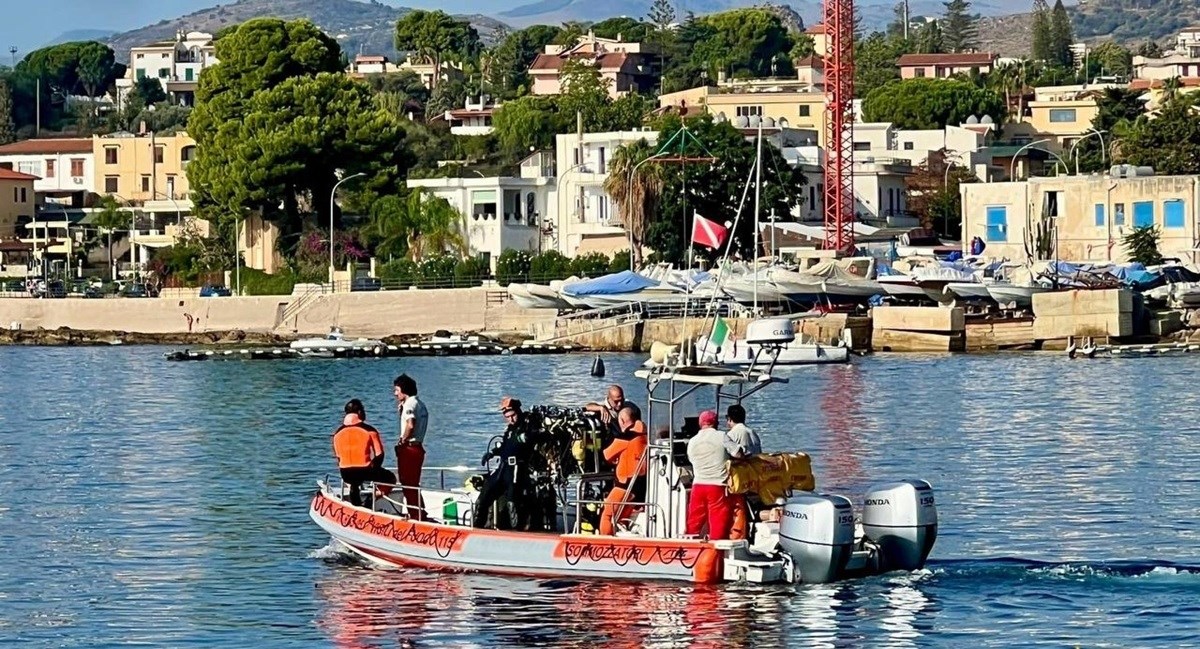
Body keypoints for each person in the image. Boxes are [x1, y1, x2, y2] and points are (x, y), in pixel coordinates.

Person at [473, 397, 537, 530]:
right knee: (484, 495)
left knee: (512, 501)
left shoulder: (528, 425)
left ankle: (517, 532)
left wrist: (527, 437)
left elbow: (536, 437)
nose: (511, 419)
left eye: (513, 415)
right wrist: (492, 453)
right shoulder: (509, 430)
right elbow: (504, 445)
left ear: (518, 412)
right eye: (507, 417)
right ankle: (477, 527)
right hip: (503, 466)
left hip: (517, 468)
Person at [685, 409, 738, 540]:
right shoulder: (722, 436)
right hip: (717, 485)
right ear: (716, 423)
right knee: (718, 521)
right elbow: (737, 453)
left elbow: (690, 459)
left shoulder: (692, 441)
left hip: (698, 485)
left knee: (694, 521)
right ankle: (716, 552)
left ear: (700, 423)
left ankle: (690, 547)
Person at [332, 399, 395, 507]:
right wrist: (374, 468)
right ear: (360, 412)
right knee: (391, 479)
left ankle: (355, 505)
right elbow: (379, 454)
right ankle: (370, 500)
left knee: (354, 483)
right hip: (365, 470)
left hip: (345, 473)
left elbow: (338, 457)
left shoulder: (337, 434)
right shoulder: (370, 431)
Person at [599, 405, 649, 535]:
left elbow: (606, 455)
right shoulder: (645, 435)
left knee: (607, 515)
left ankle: (604, 542)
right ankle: (622, 538)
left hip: (624, 485)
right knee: (622, 518)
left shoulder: (626, 437)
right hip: (639, 486)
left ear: (621, 421)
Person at [393, 374, 429, 521]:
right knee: (413, 482)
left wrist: (402, 440)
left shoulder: (410, 404)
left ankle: (415, 514)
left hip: (410, 447)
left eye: (397, 390)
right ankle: (419, 511)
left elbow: (410, 424)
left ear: (404, 390)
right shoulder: (420, 403)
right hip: (418, 447)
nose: (395, 393)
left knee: (407, 482)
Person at [724, 404, 761, 540]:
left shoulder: (732, 434)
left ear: (729, 419)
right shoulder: (752, 433)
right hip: (756, 477)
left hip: (741, 479)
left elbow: (728, 454)